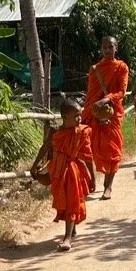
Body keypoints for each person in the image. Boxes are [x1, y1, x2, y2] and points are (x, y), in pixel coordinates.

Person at [82, 36, 129, 200]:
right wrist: (89, 111)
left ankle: (108, 186)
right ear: (101, 49)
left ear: (116, 48)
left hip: (112, 113)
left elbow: (122, 92)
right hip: (94, 113)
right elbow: (91, 94)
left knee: (113, 149)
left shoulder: (121, 67)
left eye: (111, 47)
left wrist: (107, 99)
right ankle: (92, 180)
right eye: (104, 48)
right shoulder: (95, 69)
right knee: (90, 148)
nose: (108, 50)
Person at [48, 99, 95, 251]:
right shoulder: (55, 132)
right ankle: (72, 228)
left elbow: (88, 156)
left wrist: (92, 178)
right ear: (64, 117)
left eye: (80, 115)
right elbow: (46, 149)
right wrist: (35, 166)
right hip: (58, 172)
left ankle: (67, 238)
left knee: (71, 202)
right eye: (75, 116)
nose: (79, 119)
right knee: (63, 200)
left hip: (73, 172)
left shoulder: (81, 132)